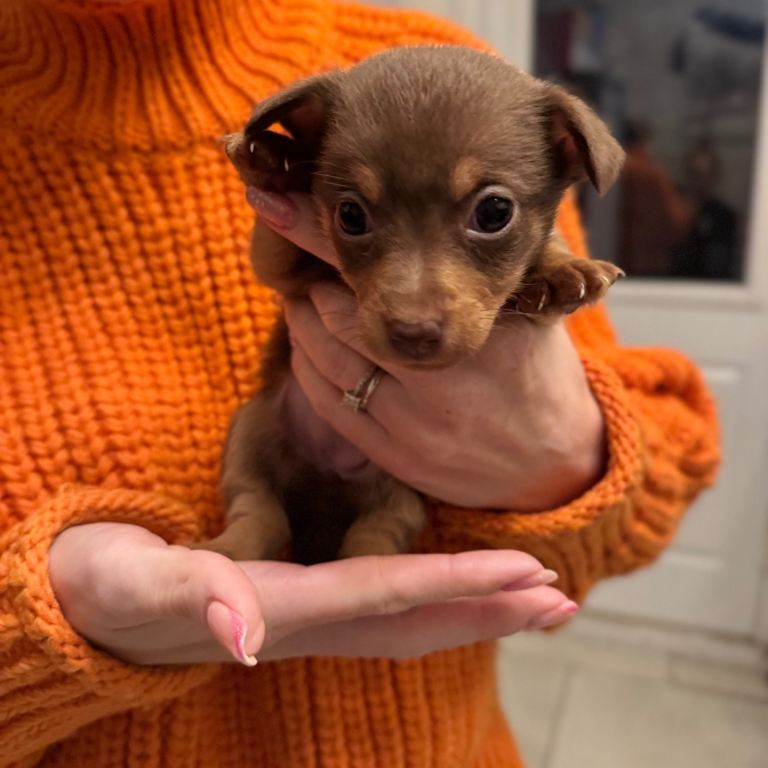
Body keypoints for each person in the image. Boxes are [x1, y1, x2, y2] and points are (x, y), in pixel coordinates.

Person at [0, 1, 720, 766]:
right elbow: (281, 265)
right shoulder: (315, 134)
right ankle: (259, 516)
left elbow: (662, 472)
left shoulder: (480, 90)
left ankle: (374, 540)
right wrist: (48, 632)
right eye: (354, 216)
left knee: (388, 506)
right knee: (258, 433)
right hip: (276, 460)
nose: (412, 306)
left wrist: (575, 462)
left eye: (491, 214)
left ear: (567, 161)